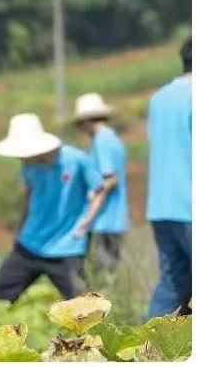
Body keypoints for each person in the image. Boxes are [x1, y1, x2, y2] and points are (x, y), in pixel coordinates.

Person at [0, 113, 107, 302]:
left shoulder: (76, 160)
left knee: (83, 308)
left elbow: (99, 189)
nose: (21, 158)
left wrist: (86, 222)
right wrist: (19, 229)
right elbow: (29, 195)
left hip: (67, 246)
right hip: (30, 243)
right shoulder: (28, 164)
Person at [145, 36, 192, 319]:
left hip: (161, 206)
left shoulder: (159, 97)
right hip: (192, 205)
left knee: (172, 285)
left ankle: (146, 352)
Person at [73, 92, 129, 275]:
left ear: (87, 121)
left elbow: (110, 179)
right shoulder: (112, 138)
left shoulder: (101, 141)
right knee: (108, 271)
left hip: (105, 220)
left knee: (98, 274)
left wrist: (88, 214)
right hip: (115, 219)